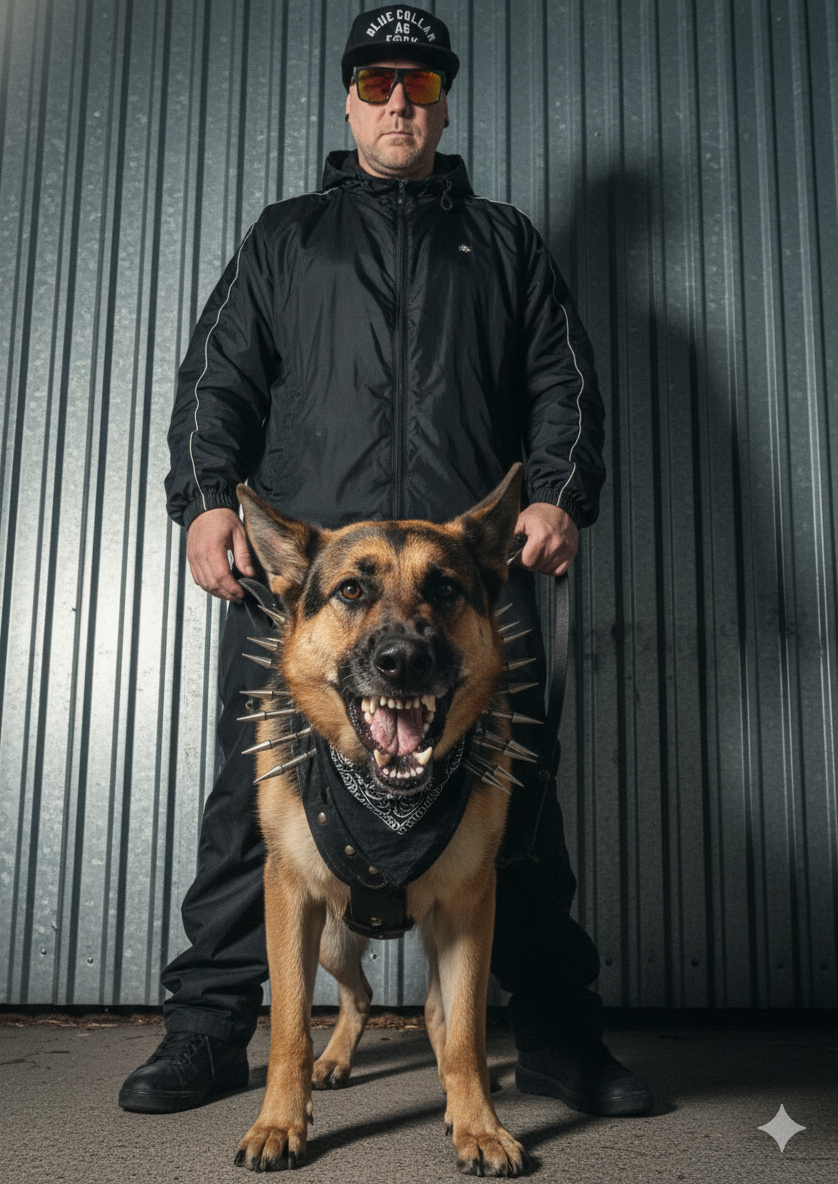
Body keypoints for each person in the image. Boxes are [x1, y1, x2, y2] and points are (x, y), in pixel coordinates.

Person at [119, 7, 652, 1120]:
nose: (398, 101)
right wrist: (206, 501)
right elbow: (219, 378)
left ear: (444, 102)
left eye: (419, 83)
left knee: (519, 806)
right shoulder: (287, 236)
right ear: (350, 100)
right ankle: (209, 1029)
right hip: (313, 585)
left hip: (462, 586)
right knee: (251, 810)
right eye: (376, 83)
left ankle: (559, 1037)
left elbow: (562, 383)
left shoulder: (505, 242)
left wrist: (557, 493)